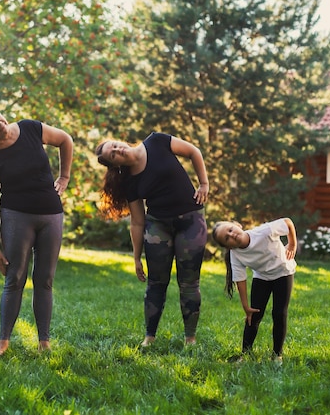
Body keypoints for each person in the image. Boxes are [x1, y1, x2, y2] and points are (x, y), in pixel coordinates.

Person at [0, 105, 73, 357]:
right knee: (14, 279)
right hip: (17, 217)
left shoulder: (30, 128)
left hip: (51, 214)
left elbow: (65, 140)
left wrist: (64, 177)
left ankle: (44, 341)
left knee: (45, 280)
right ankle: (3, 342)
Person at [95, 132, 209, 347]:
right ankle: (150, 337)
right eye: (113, 155)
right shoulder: (129, 180)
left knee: (189, 282)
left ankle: (190, 338)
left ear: (121, 141)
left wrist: (204, 184)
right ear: (115, 165)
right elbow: (137, 221)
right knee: (156, 283)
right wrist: (137, 257)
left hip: (191, 221)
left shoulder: (157, 141)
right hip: (158, 226)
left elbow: (194, 151)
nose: (118, 151)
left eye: (115, 146)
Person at [212, 218, 297, 364]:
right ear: (228, 247)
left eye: (231, 230)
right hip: (262, 276)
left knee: (279, 313)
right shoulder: (235, 254)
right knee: (254, 316)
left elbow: (288, 222)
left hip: (283, 272)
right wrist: (246, 307)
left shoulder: (264, 231)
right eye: (227, 238)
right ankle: (245, 354)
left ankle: (277, 355)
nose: (232, 235)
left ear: (237, 225)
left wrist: (292, 244)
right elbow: (241, 280)